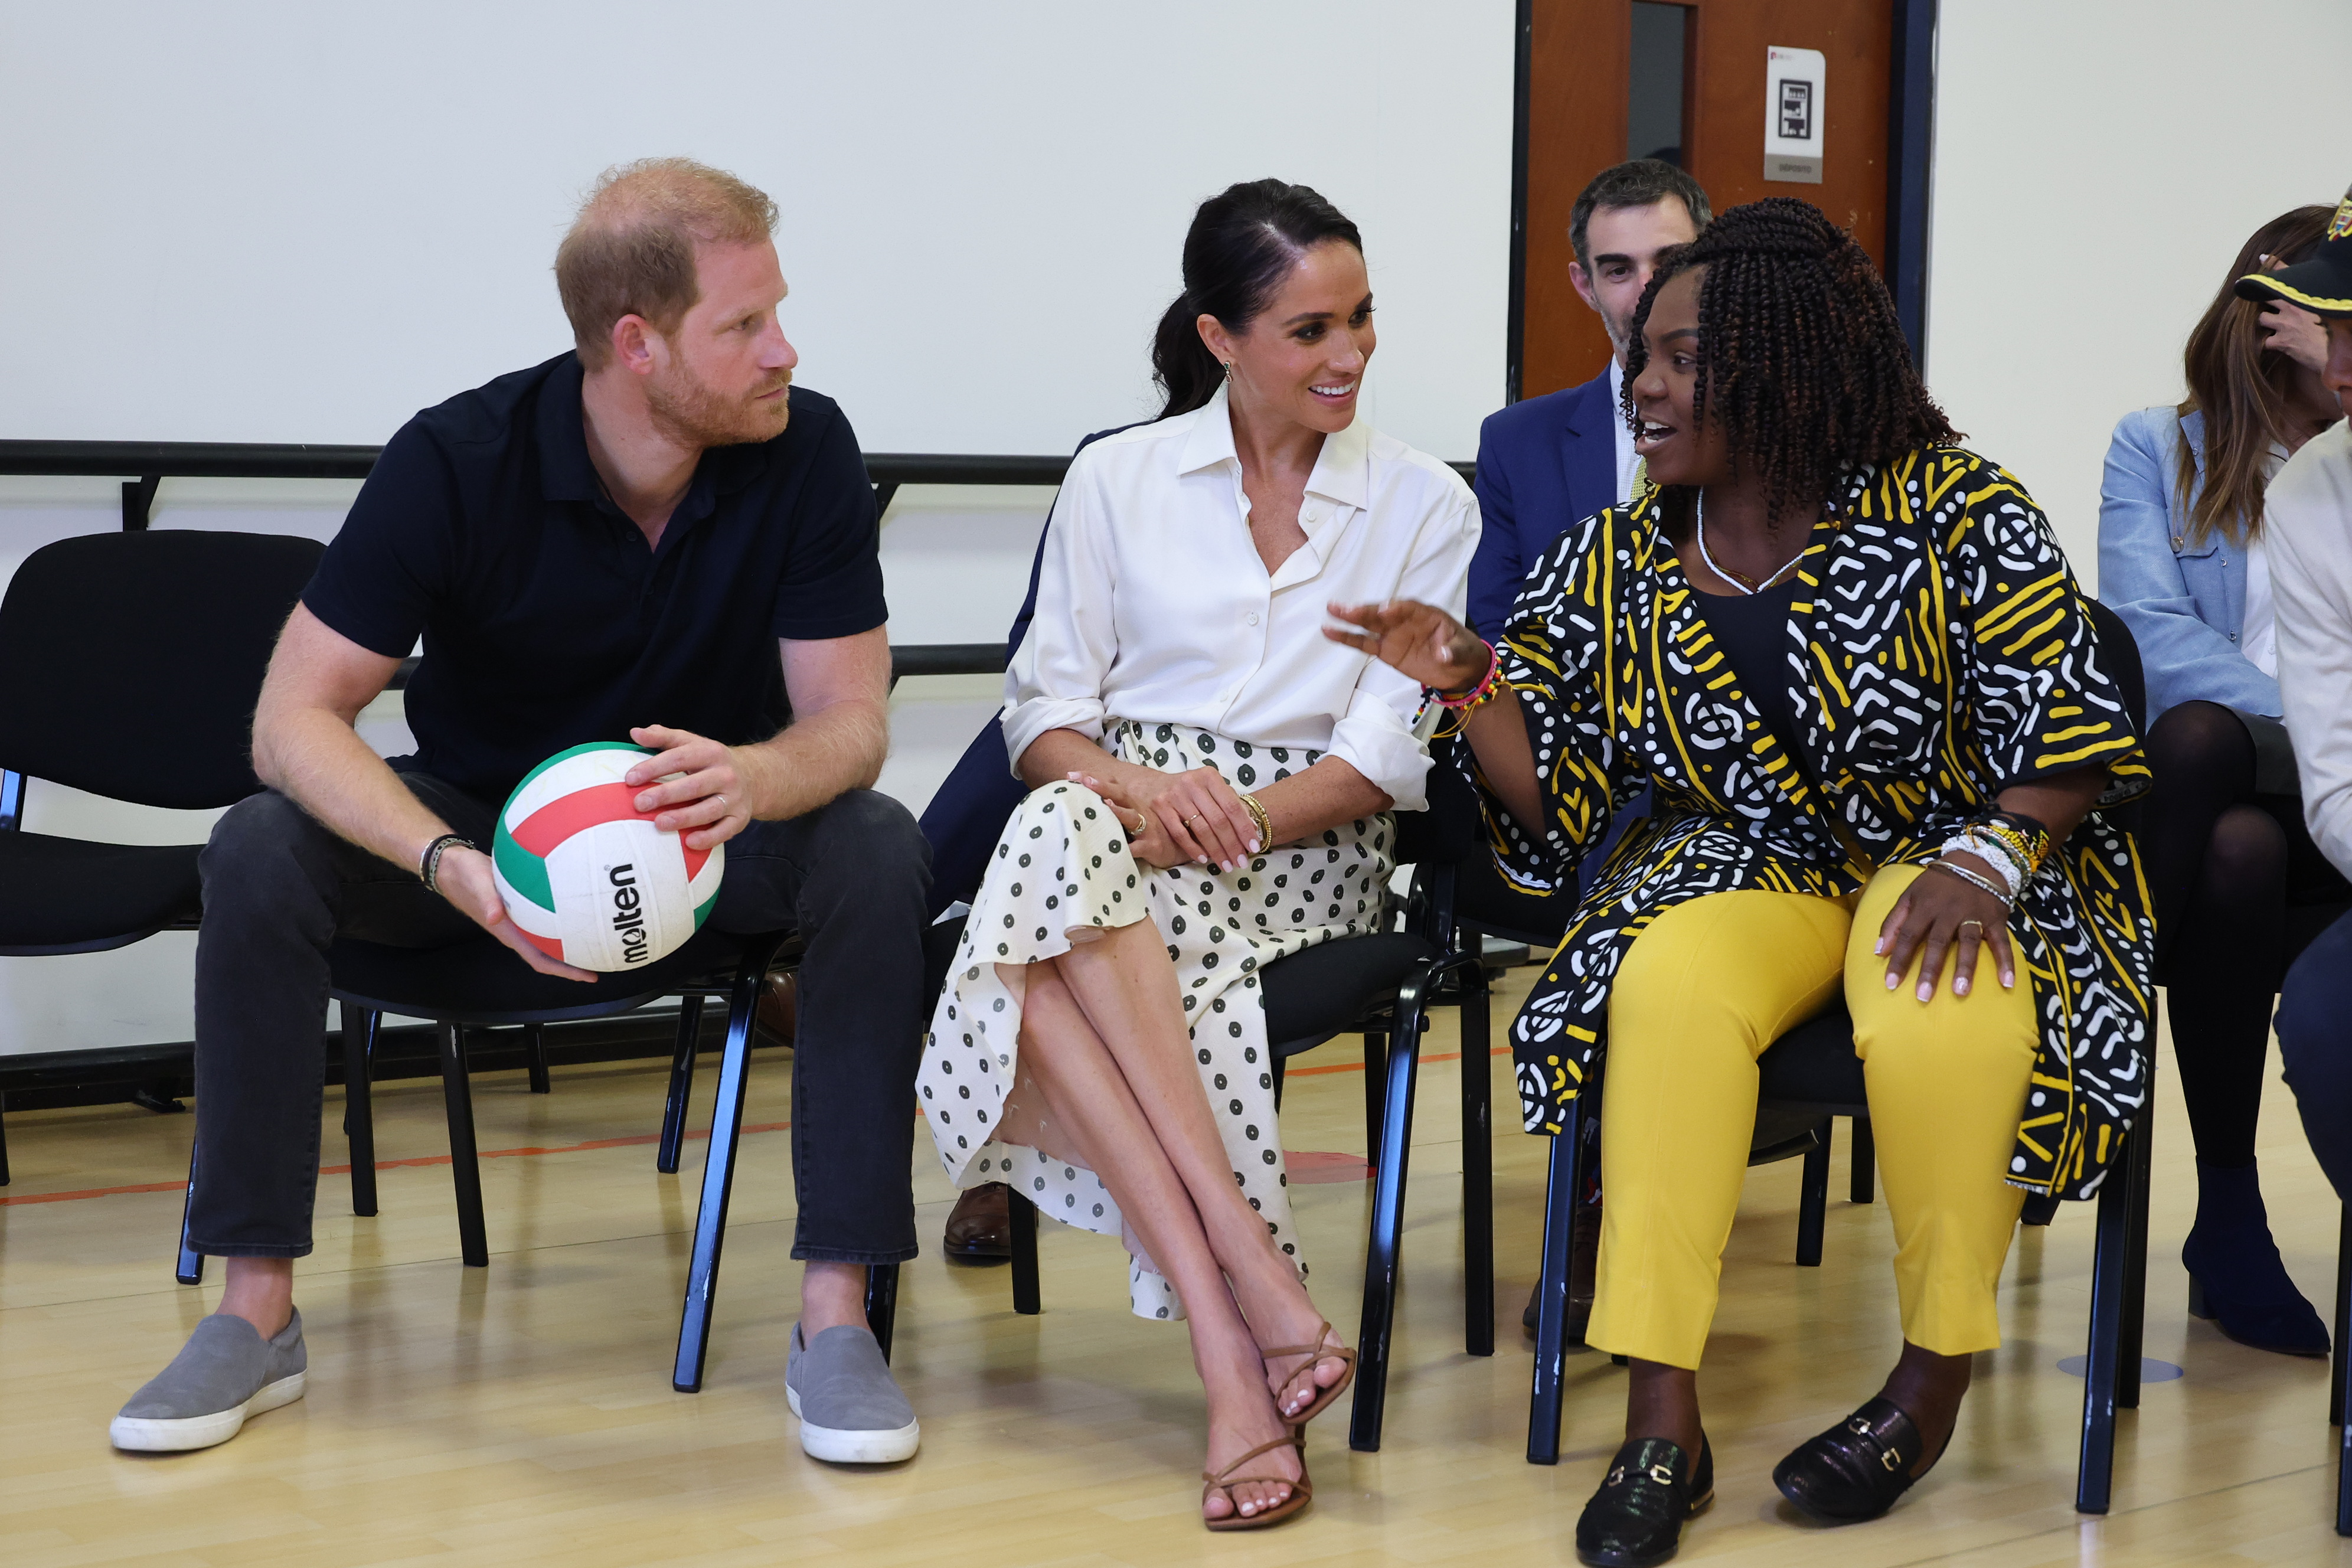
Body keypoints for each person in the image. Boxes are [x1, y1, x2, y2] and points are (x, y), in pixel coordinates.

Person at [1328, 198, 2151, 1566]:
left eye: (1682, 356)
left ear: (1790, 360)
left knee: (1934, 995)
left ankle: (1929, 1381)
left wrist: (1991, 853)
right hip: (1752, 859)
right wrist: (1473, 684)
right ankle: (1664, 1416)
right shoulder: (1619, 557)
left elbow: (2069, 718)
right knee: (1660, 987)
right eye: (1638, 354)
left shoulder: (1958, 508)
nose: (1641, 384)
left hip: (1959, 850)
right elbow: (1557, 808)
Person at [108, 159, 932, 1467]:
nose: (786, 348)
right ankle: (254, 1311)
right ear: (636, 343)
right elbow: (291, 721)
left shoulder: (807, 444)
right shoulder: (458, 455)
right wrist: (443, 861)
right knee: (258, 847)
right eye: (744, 324)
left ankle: (837, 1319)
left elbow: (852, 715)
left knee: (877, 846)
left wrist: (761, 777)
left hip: (707, 829)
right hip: (483, 838)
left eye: (779, 312)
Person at [917, 179, 1478, 1530]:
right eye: (1309, 330)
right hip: (1114, 821)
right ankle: (1247, 1323)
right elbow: (1044, 713)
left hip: (1301, 854)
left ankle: (1245, 1334)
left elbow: (1384, 759)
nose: (1348, 355)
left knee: (1031, 958)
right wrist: (1140, 793)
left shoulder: (1423, 502)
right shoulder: (1119, 472)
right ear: (1221, 338)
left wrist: (1228, 815)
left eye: (1362, 319)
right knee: (1057, 829)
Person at [2098, 202, 2345, 1357]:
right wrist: (2299, 721)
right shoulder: (2157, 445)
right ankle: (2230, 1210)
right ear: (2263, 319)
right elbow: (2144, 639)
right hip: (2237, 812)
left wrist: (2320, 728)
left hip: (2343, 796)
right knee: (2219, 803)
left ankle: (2087, 1017)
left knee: (2201, 742)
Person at [2249, 188, 2352, 1208]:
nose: (2342, 370)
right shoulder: (2311, 495)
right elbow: (2336, 784)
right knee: (2325, 1013)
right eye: (2337, 329)